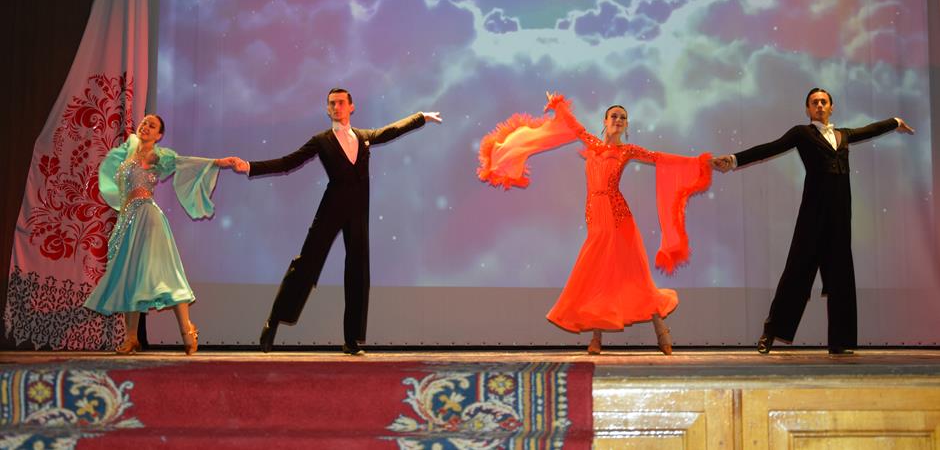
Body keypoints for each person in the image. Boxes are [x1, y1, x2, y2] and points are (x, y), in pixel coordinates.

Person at [477, 92, 712, 355]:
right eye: (614, 116)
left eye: (623, 118)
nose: (618, 120)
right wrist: (559, 105)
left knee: (636, 274)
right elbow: (573, 127)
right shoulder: (592, 143)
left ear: (626, 125)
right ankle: (597, 336)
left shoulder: (626, 151)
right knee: (597, 274)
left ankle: (660, 332)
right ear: (605, 121)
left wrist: (701, 163)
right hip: (596, 215)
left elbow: (659, 158)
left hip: (618, 216)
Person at [230, 88, 441, 354]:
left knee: (358, 273)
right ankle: (273, 321)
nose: (337, 107)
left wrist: (421, 117)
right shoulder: (321, 141)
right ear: (328, 109)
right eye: (332, 103)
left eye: (341, 102)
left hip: (358, 212)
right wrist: (249, 166)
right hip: (331, 209)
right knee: (306, 265)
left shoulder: (364, 137)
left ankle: (351, 340)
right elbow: (287, 162)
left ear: (351, 107)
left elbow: (392, 130)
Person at [711, 88, 914, 355]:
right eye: (814, 102)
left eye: (823, 102)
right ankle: (771, 332)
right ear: (808, 109)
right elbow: (770, 148)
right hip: (813, 214)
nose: (819, 105)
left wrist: (895, 122)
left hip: (840, 217)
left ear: (831, 107)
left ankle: (840, 342)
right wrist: (734, 159)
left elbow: (869, 130)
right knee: (797, 273)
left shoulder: (843, 135)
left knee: (841, 277)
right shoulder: (802, 133)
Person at [84, 114, 238, 355]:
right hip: (128, 220)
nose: (146, 126)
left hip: (147, 218)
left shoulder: (155, 156)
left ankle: (187, 329)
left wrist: (216, 162)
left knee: (165, 274)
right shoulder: (129, 152)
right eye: (144, 123)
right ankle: (131, 337)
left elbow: (182, 162)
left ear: (159, 135)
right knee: (130, 277)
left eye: (152, 126)